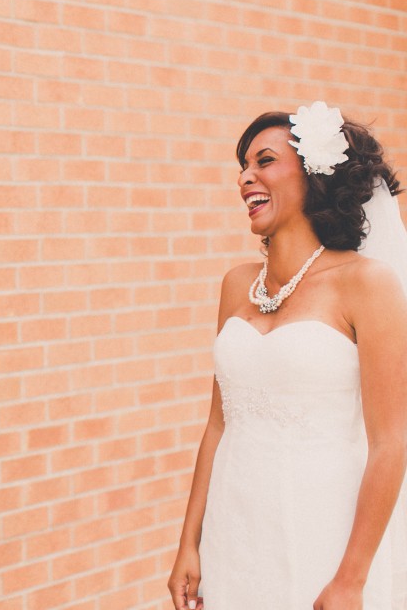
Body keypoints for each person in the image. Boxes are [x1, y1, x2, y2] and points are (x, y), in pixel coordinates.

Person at [168, 101, 407, 610]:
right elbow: (217, 425)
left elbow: (391, 443)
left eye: (265, 161)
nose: (244, 178)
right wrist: (190, 542)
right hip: (234, 531)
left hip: (323, 536)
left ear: (314, 175)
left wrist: (351, 580)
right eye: (243, 166)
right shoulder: (236, 285)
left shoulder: (367, 284)